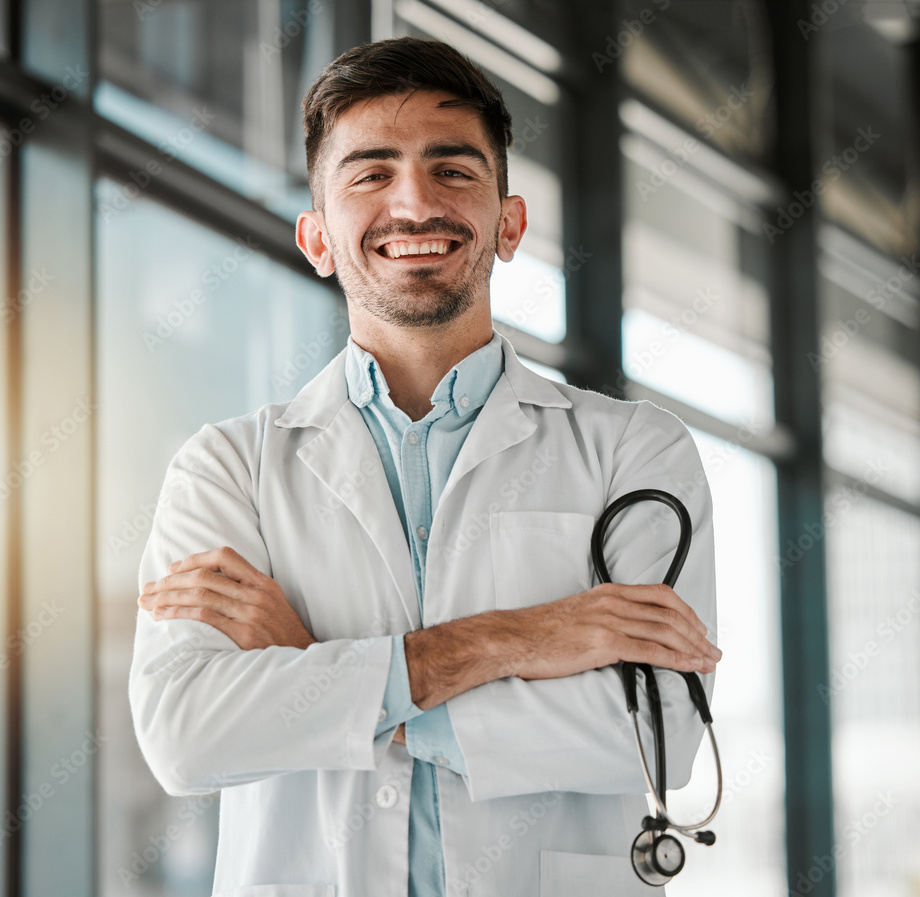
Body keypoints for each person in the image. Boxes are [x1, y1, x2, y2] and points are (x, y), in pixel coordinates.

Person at [130, 36, 721, 897]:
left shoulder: (635, 450)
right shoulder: (229, 468)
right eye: (370, 174)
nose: (413, 202)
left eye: (453, 170)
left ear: (507, 224)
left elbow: (658, 733)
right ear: (318, 237)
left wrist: (322, 668)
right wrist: (520, 637)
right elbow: (188, 736)